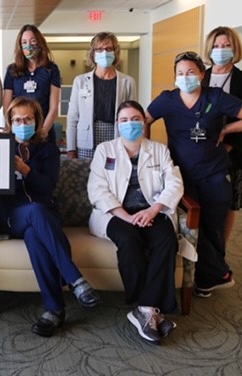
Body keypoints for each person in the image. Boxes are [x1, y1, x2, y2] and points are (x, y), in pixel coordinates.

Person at [146, 51, 242, 298]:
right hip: (182, 176)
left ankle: (205, 280)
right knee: (189, 229)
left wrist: (226, 128)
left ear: (202, 74)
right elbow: (144, 119)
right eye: (180, 73)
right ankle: (216, 273)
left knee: (213, 228)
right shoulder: (167, 100)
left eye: (191, 72)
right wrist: (148, 150)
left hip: (214, 174)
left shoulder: (216, 97)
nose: (185, 77)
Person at [0, 97, 101, 338]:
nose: (22, 123)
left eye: (28, 118)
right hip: (12, 216)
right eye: (17, 119)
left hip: (44, 217)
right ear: (9, 122)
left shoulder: (48, 150)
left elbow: (47, 187)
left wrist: (26, 170)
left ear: (36, 120)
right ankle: (75, 279)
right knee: (35, 212)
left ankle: (54, 310)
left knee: (35, 236)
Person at [88, 100, 183, 344]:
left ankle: (144, 309)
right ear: (117, 125)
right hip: (115, 213)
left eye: (135, 119)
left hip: (151, 210)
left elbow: (174, 183)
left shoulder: (159, 150)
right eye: (124, 120)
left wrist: (154, 210)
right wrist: (126, 216)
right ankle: (150, 309)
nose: (130, 124)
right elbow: (97, 189)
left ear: (144, 122)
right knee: (129, 240)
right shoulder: (104, 150)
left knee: (166, 241)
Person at [203, 26, 242, 245]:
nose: (221, 50)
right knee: (203, 202)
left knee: (227, 204)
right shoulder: (200, 77)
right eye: (216, 46)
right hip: (203, 151)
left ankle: (220, 250)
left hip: (232, 153)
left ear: (234, 48)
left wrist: (227, 146)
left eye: (226, 46)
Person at [66, 31, 136, 159]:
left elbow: (131, 117)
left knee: (113, 176)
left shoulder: (128, 82)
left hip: (115, 137)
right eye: (99, 49)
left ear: (115, 52)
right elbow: (72, 117)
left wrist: (132, 144)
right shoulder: (80, 81)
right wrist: (70, 148)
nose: (104, 53)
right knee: (87, 177)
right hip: (86, 141)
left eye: (109, 49)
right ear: (93, 54)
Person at [3, 24, 61, 143]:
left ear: (40, 43)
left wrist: (43, 131)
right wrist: (12, 127)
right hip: (19, 130)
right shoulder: (12, 70)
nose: (28, 46)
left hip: (44, 130)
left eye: (32, 41)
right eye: (24, 42)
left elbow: (54, 107)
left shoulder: (51, 69)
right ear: (20, 46)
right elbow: (7, 106)